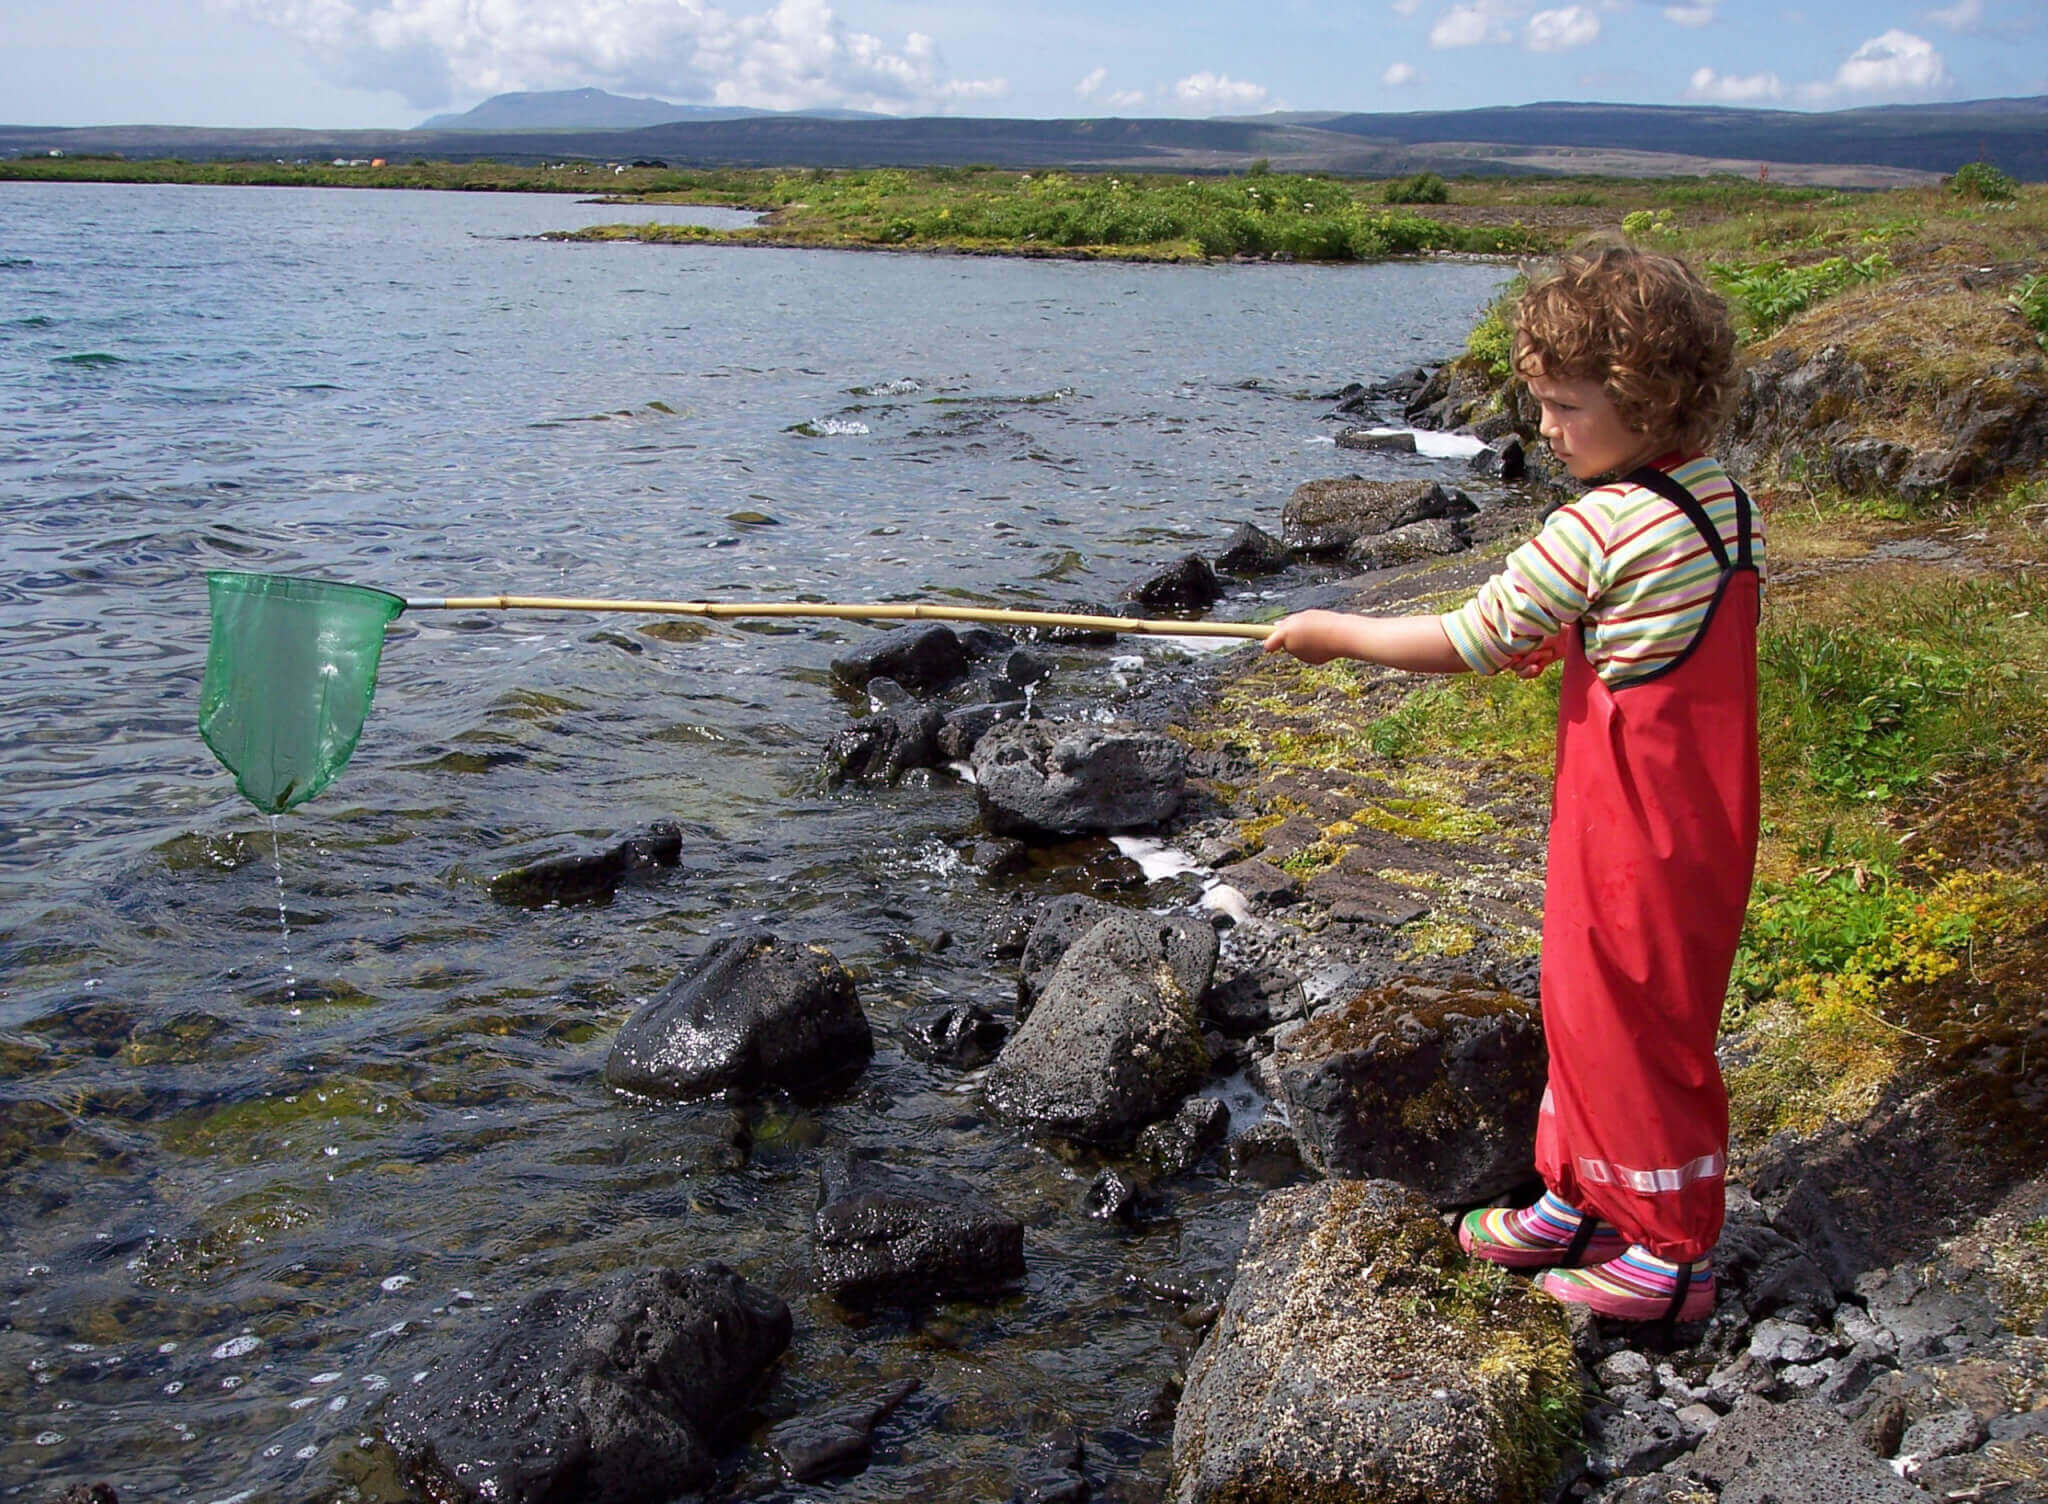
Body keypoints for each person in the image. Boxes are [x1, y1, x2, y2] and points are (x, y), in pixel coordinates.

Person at [1263, 244, 1761, 1323]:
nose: (1542, 428)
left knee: (1633, 1019)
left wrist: (1329, 633)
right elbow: (1639, 621)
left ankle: (1668, 1256)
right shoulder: (1712, 497)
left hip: (1637, 823)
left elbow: (1470, 636)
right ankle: (1579, 1194)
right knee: (1581, 1003)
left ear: (1643, 398)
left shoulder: (1600, 523)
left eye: (1561, 406)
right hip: (1692, 811)